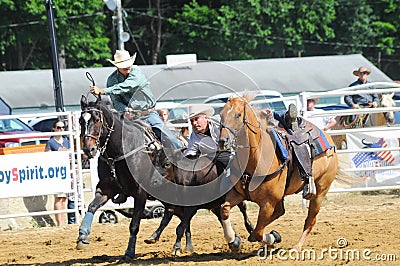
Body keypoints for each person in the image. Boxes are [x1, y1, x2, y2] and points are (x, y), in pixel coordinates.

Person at [90, 50, 182, 150]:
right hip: (129, 118)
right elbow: (116, 102)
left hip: (148, 114)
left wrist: (102, 91)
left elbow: (126, 86)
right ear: (117, 66)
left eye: (128, 64)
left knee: (170, 139)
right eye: (123, 65)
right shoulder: (112, 80)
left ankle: (182, 156)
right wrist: (125, 109)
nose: (128, 67)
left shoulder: (136, 72)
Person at [45, 120, 70, 226]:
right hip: (56, 172)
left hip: (66, 171)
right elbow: (47, 157)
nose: (61, 129)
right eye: (59, 127)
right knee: (58, 197)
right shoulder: (50, 142)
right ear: (54, 129)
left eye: (63, 127)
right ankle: (60, 223)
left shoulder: (66, 140)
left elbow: (70, 152)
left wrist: (62, 151)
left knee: (64, 198)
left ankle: (63, 222)